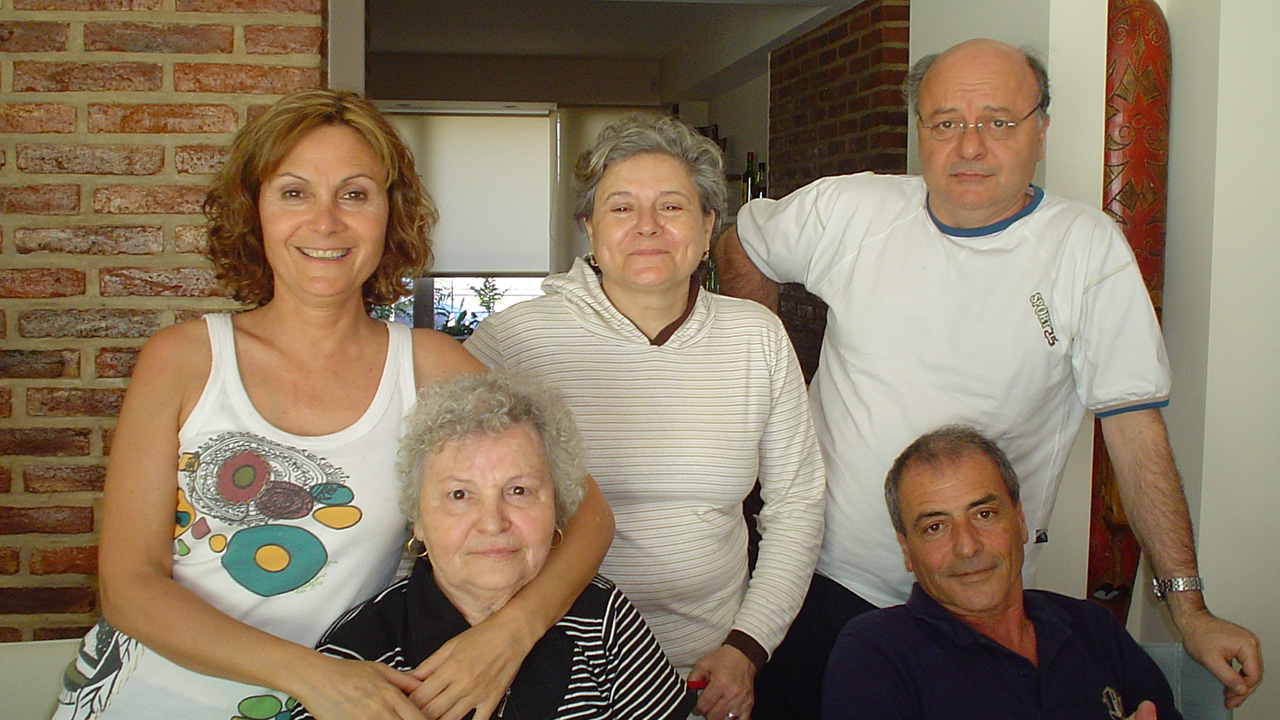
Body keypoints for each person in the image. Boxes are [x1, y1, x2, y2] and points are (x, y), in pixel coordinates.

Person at [715, 38, 1261, 718]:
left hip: (978, 602)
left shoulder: (1085, 251)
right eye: (946, 122)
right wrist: (774, 388)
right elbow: (741, 243)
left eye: (998, 121)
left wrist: (1190, 608)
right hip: (815, 583)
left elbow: (1135, 437)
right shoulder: (851, 210)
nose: (969, 147)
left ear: (1041, 130)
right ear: (921, 132)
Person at [53, 89, 613, 720]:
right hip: (157, 694)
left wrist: (511, 634)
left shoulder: (430, 366)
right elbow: (129, 586)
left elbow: (588, 515)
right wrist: (311, 675)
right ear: (254, 210)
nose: (326, 223)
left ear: (388, 215)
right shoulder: (183, 359)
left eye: (355, 193)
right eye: (295, 192)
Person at [466, 113, 826, 720]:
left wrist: (747, 647)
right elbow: (439, 500)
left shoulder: (756, 338)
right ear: (589, 228)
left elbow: (797, 506)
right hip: (548, 666)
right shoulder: (514, 343)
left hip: (704, 675)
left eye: (673, 207)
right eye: (622, 208)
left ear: (709, 225)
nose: (648, 227)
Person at [293, 372, 693, 720]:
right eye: (459, 495)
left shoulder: (603, 615)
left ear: (557, 507)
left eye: (518, 490)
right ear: (416, 520)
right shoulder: (358, 653)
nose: (492, 522)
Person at [822, 426, 1182, 720]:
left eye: (984, 514)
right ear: (907, 550)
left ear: (1021, 522)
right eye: (935, 527)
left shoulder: (1093, 628)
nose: (967, 546)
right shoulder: (875, 652)